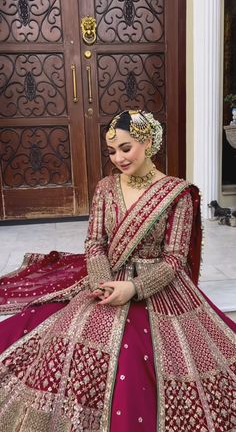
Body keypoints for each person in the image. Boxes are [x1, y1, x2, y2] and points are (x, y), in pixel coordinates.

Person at [0, 110, 235, 432]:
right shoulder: (106, 188)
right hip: (106, 278)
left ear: (148, 142)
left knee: (152, 355)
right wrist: (100, 281)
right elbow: (95, 241)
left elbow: (175, 258)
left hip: (158, 286)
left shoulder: (177, 193)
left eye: (126, 148)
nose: (119, 158)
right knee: (66, 336)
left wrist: (134, 289)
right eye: (112, 151)